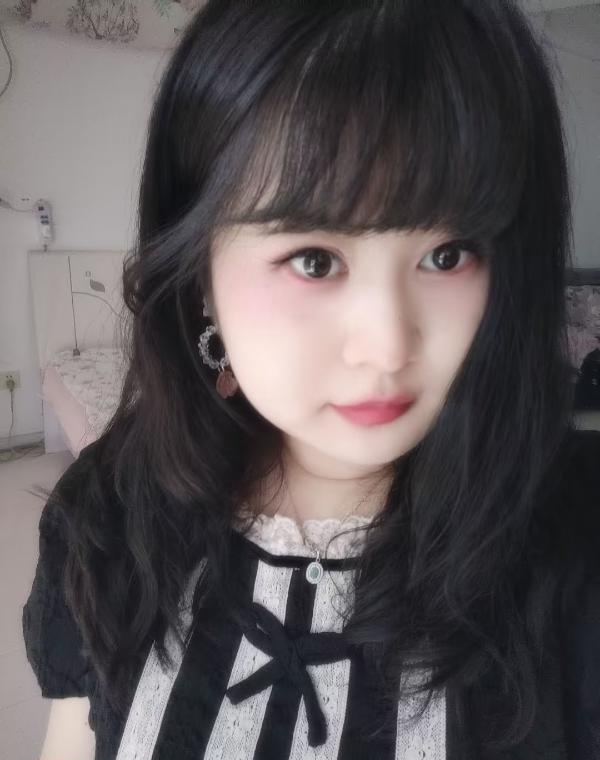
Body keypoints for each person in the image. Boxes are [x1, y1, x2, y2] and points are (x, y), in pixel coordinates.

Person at [22, 1, 600, 758]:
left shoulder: (574, 541)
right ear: (199, 275)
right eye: (315, 260)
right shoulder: (107, 512)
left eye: (448, 254)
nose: (387, 347)